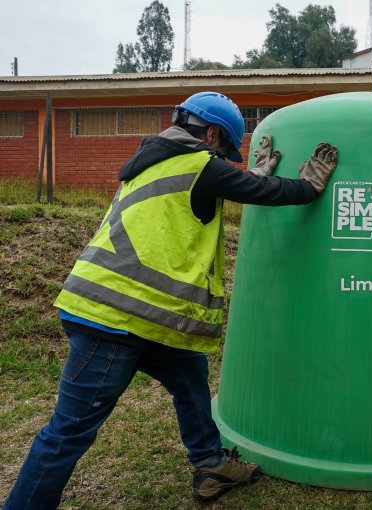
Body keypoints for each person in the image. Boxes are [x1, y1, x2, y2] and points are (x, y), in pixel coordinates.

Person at [3, 91, 338, 509]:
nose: (222, 157)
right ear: (212, 133)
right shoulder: (199, 166)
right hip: (115, 317)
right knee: (69, 431)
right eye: (224, 148)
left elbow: (221, 191)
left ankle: (211, 463)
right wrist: (307, 184)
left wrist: (252, 177)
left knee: (191, 380)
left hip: (140, 316)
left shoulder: (151, 165)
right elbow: (260, 190)